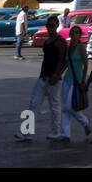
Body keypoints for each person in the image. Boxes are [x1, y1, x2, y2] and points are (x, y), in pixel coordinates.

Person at [16, 14, 66, 142]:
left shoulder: (60, 41)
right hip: (43, 76)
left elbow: (63, 61)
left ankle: (56, 132)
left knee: (54, 106)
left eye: (52, 26)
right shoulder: (47, 41)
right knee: (34, 103)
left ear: (57, 26)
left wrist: (57, 75)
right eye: (48, 26)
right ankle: (27, 132)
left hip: (54, 79)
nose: (50, 28)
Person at [59, 26, 91, 141]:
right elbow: (66, 64)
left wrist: (83, 81)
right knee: (64, 108)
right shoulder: (69, 48)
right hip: (67, 79)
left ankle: (85, 121)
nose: (74, 34)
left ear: (80, 35)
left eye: (77, 33)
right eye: (72, 32)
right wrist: (59, 74)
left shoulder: (81, 47)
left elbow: (86, 65)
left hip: (76, 80)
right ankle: (65, 134)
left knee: (70, 107)